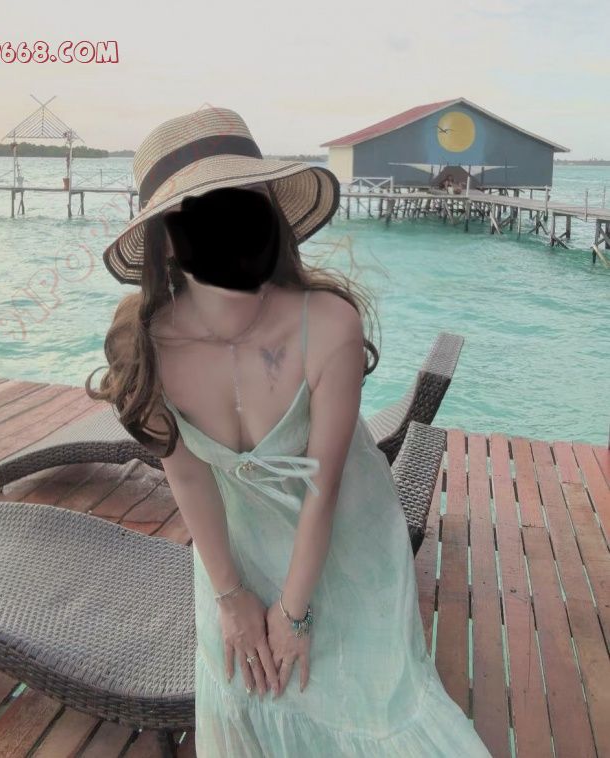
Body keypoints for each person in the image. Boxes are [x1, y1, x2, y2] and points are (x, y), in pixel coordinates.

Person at [87, 106, 492, 757]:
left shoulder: (327, 324)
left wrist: (295, 612)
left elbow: (324, 490)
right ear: (164, 242)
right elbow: (189, 478)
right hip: (233, 548)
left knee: (376, 710)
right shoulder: (144, 347)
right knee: (244, 700)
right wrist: (231, 598)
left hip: (346, 536)